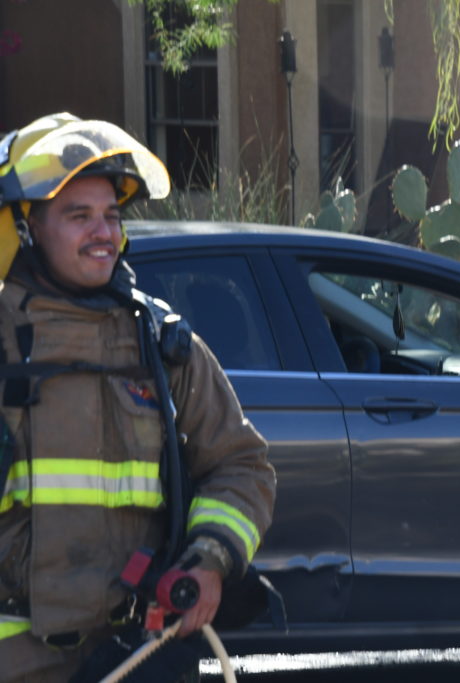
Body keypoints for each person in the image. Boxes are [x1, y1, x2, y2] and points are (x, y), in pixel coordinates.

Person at [0, 113, 276, 682]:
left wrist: (210, 558)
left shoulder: (160, 342)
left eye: (111, 215)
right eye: (79, 216)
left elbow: (240, 464)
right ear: (27, 228)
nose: (103, 232)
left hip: (136, 650)